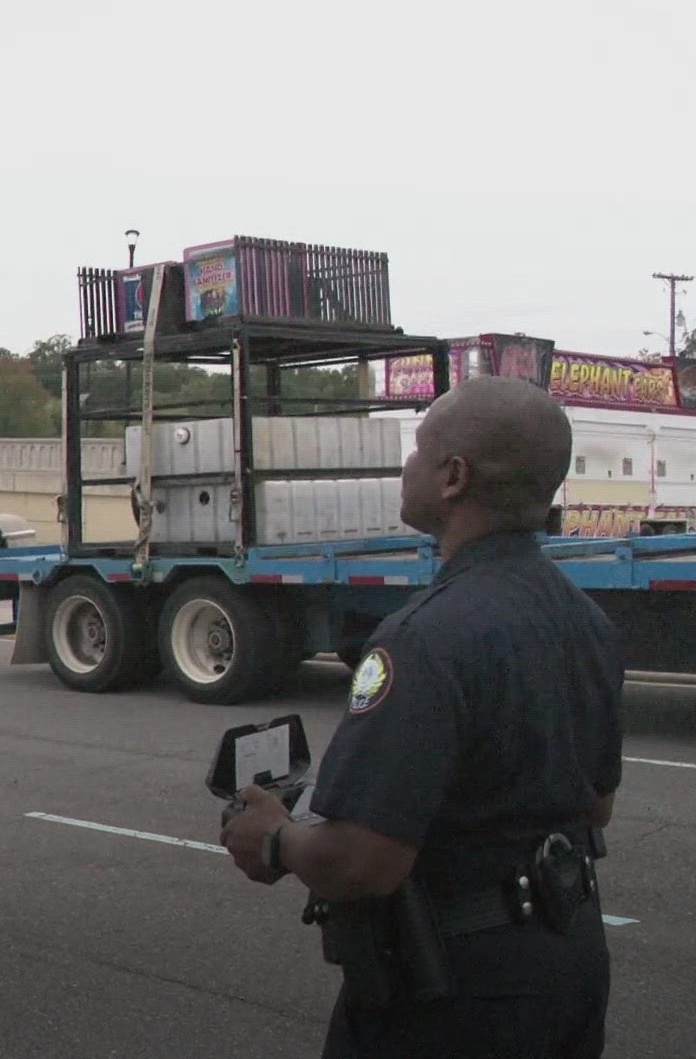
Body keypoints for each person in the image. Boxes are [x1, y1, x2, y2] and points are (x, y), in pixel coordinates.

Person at [220, 375, 625, 1058]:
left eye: (417, 452)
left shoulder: (424, 638)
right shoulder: (585, 620)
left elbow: (363, 861)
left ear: (453, 477)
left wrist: (273, 838)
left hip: (457, 991)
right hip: (570, 960)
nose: (406, 467)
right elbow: (597, 806)